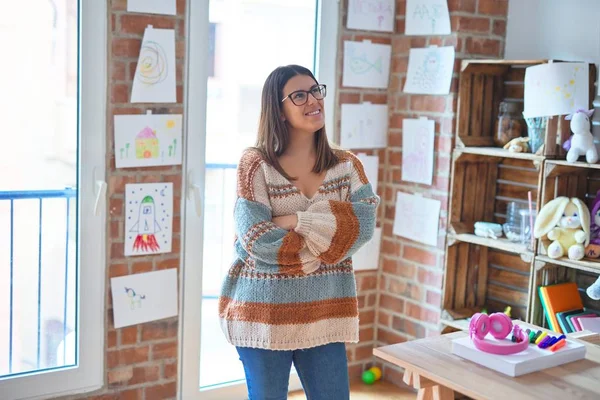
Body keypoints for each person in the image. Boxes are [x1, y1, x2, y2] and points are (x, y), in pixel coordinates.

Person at [218, 64, 380, 400]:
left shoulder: (347, 165)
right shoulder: (256, 164)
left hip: (324, 315)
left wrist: (294, 221)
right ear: (278, 109)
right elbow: (257, 240)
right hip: (263, 314)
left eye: (316, 90)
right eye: (299, 95)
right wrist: (326, 241)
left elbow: (362, 227)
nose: (313, 100)